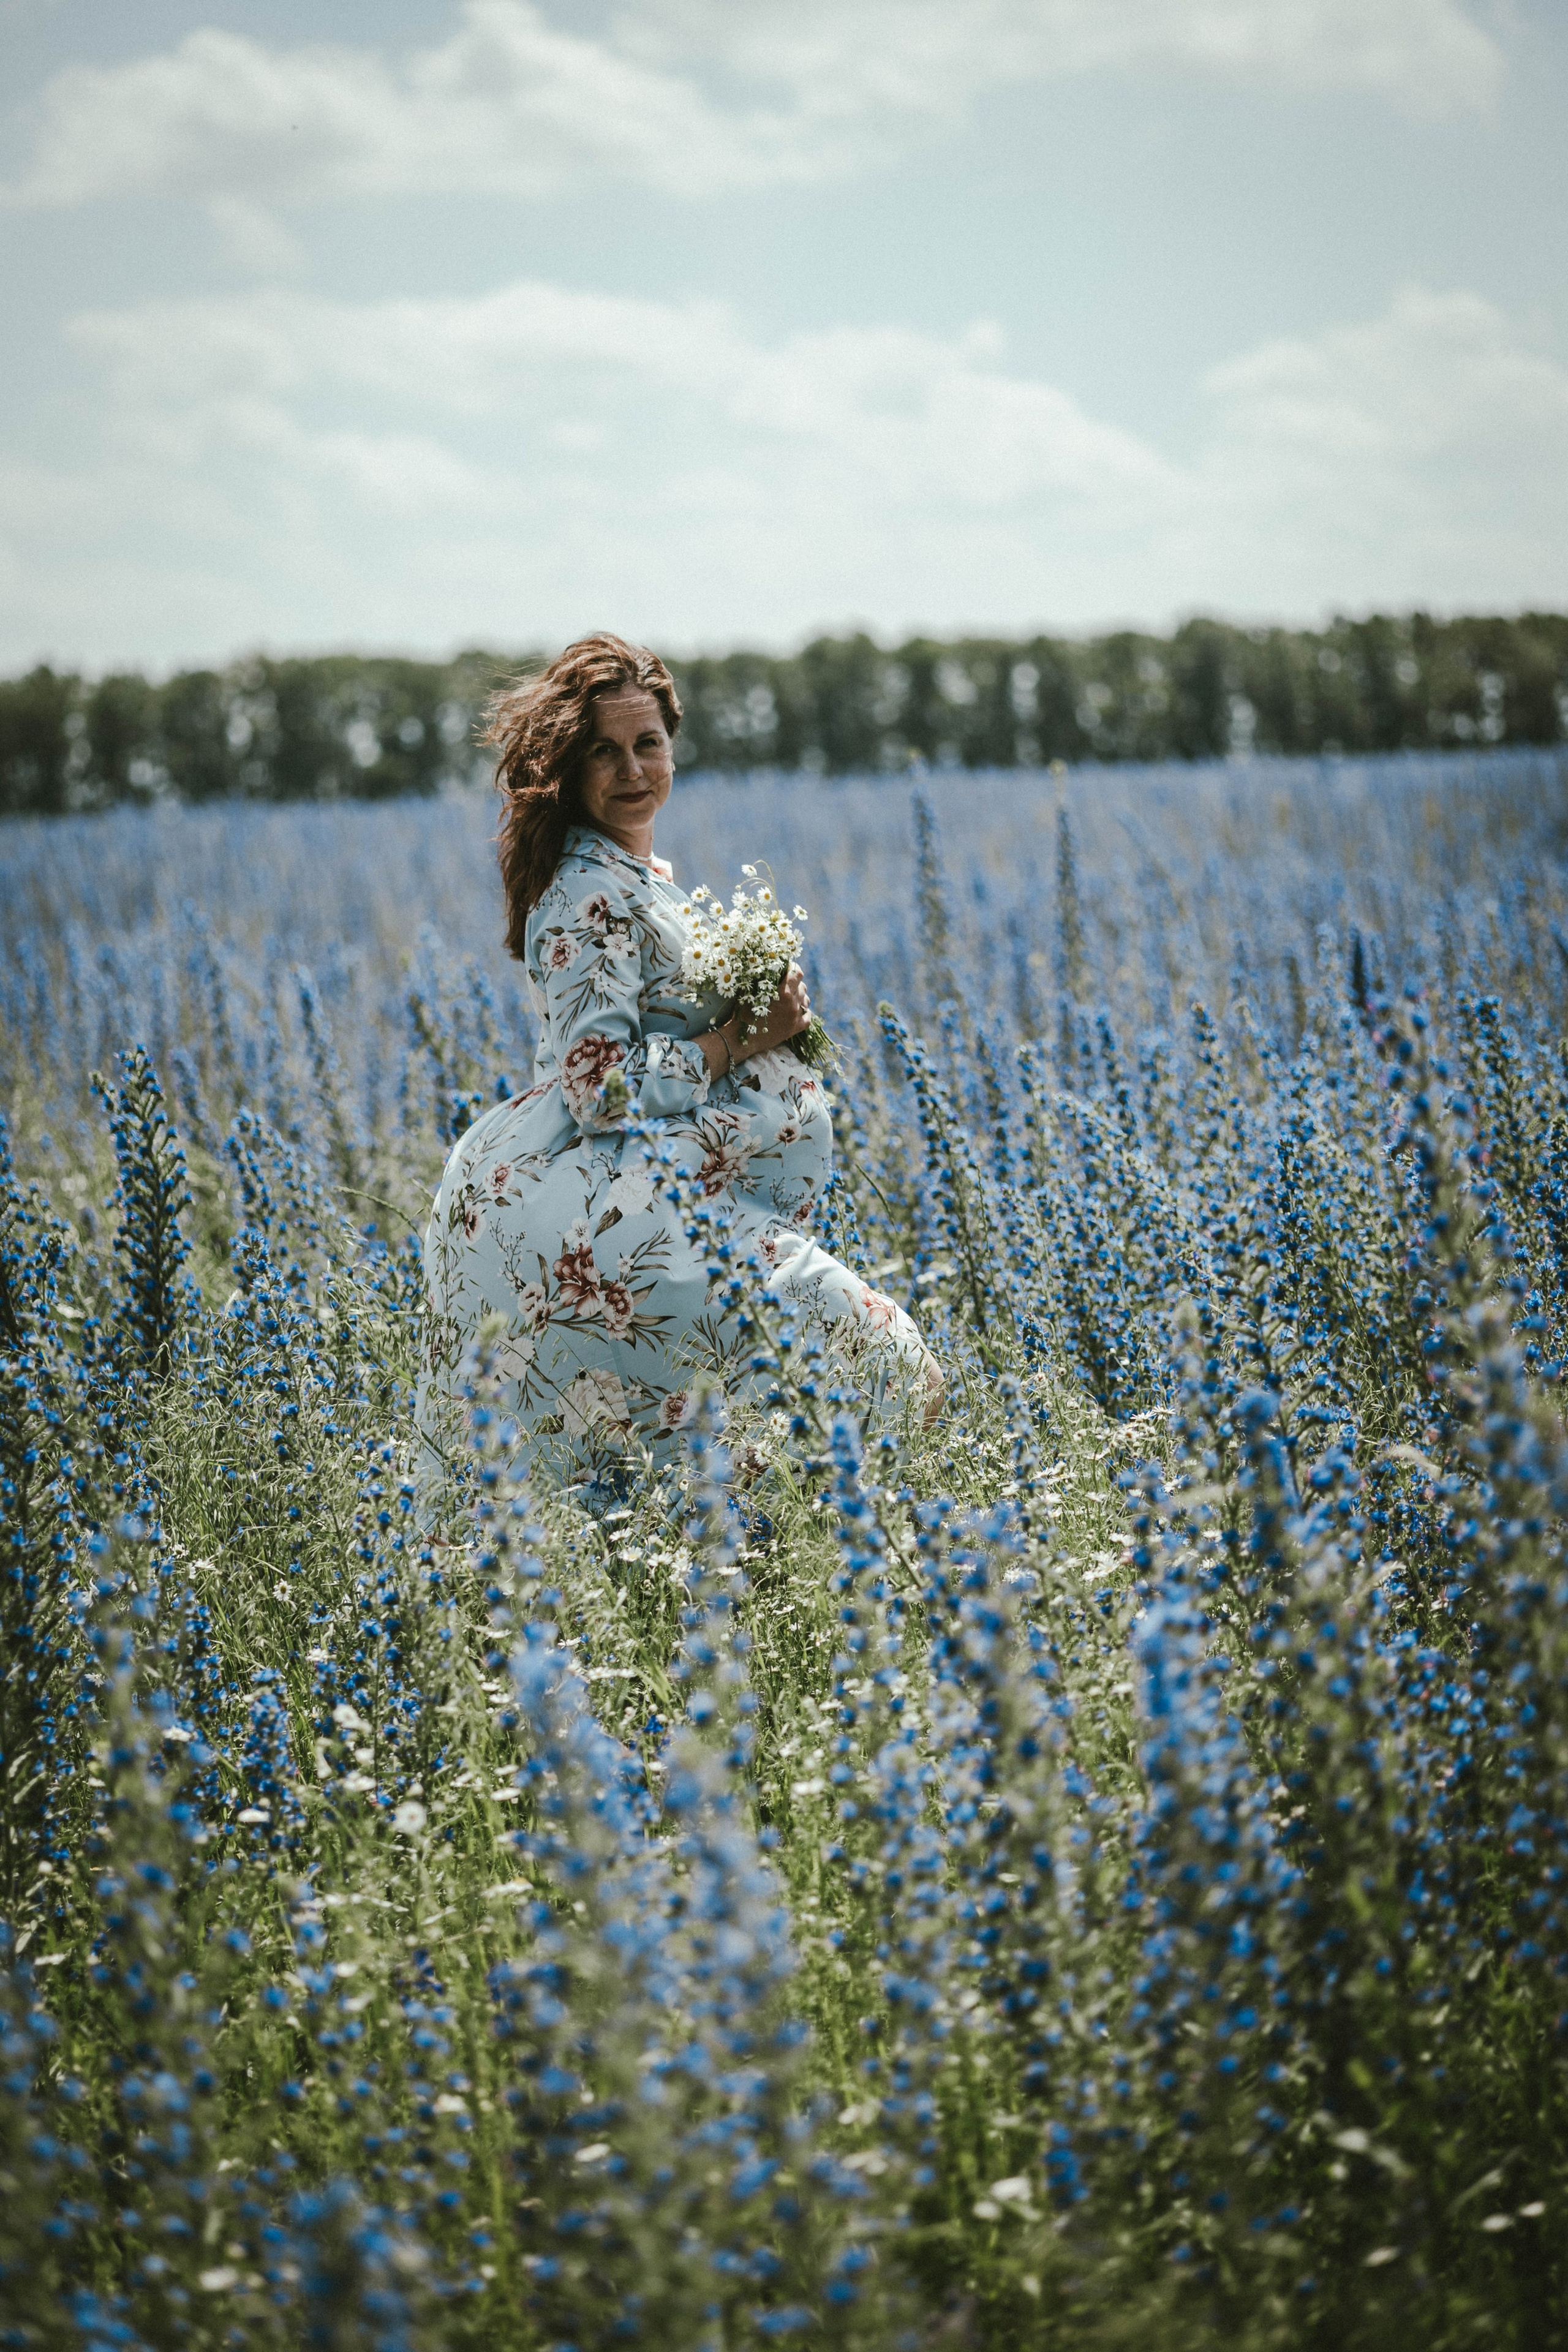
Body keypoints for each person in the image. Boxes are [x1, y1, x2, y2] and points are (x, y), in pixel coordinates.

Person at [417, 631, 938, 1497]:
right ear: (567, 768)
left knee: (706, 1467)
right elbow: (597, 1087)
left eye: (647, 744)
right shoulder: (586, 891)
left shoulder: (631, 874)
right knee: (885, 1366)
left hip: (658, 1204)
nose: (632, 769)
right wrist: (742, 1038)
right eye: (604, 752)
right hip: (630, 1216)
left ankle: (745, 1604)